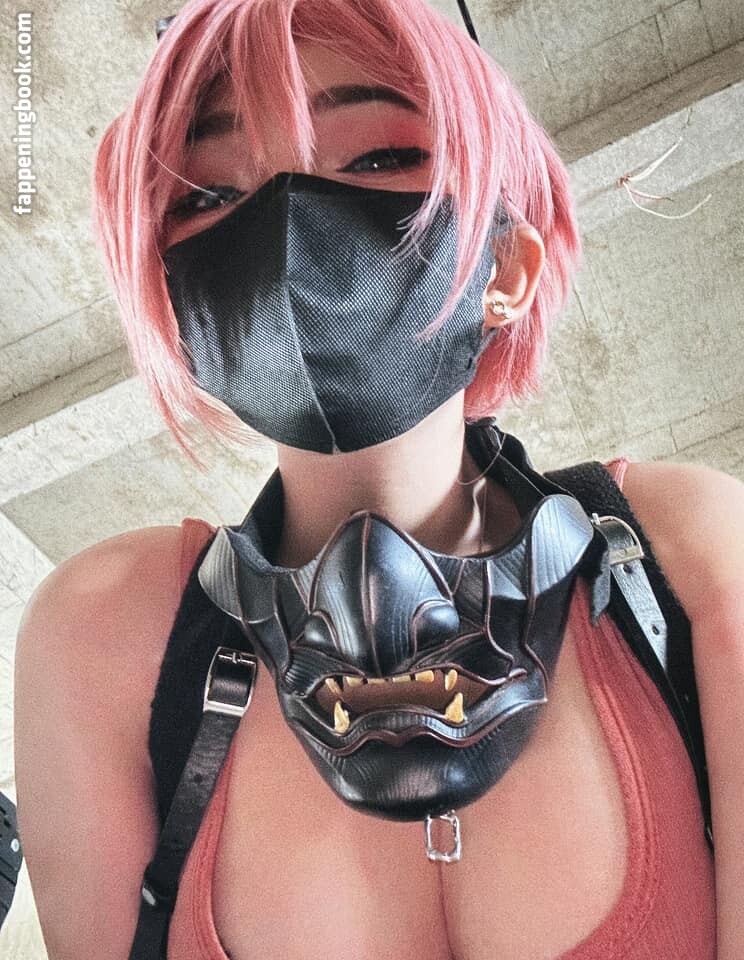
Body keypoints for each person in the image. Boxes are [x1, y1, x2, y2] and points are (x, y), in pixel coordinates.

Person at [13, 0, 744, 958]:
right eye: (209, 196)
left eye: (378, 158)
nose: (287, 228)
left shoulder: (685, 552)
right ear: (180, 307)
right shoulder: (109, 637)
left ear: (508, 265)